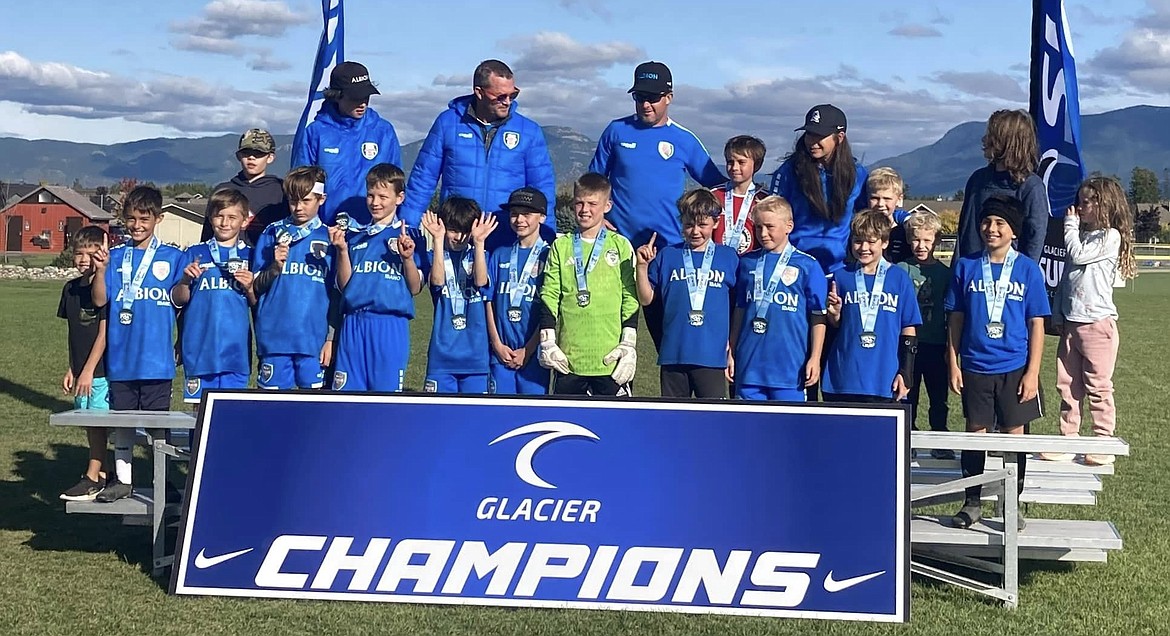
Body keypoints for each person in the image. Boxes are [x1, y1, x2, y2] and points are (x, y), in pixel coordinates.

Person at [588, 61, 724, 350]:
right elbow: (593, 183)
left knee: (668, 341)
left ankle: (675, 395)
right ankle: (614, 395)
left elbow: (717, 187)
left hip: (666, 253)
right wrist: (598, 218)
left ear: (669, 97)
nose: (645, 104)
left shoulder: (684, 140)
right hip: (618, 250)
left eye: (652, 98)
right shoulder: (616, 131)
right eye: (639, 97)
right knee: (610, 339)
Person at [945, 195, 1050, 529]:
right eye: (987, 222)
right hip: (976, 365)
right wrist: (953, 362)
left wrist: (1032, 372)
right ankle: (971, 502)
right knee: (975, 434)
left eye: (1000, 223)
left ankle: (1010, 504)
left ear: (1013, 231)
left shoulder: (1027, 269)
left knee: (1013, 436)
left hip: (1015, 367)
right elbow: (956, 319)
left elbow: (1037, 324)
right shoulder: (966, 266)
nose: (991, 228)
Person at [90, 186, 186, 502]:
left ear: (158, 218)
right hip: (122, 359)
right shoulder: (116, 258)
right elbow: (100, 299)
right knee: (124, 425)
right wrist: (101, 271)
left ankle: (164, 481)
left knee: (159, 427)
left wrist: (186, 281)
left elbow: (180, 300)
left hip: (157, 358)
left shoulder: (173, 257)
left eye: (144, 218)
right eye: (131, 219)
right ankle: (123, 480)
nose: (136, 225)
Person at [400, 59, 556, 250]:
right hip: (458, 236)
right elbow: (423, 179)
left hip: (506, 241)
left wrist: (548, 235)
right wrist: (407, 228)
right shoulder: (447, 123)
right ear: (479, 92)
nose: (507, 101)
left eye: (513, 94)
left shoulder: (529, 131)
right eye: (500, 96)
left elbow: (542, 188)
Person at [1044, 177, 1137, 465]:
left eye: (1087, 201)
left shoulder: (1110, 237)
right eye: (1080, 200)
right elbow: (1065, 280)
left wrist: (1068, 226)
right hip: (1071, 324)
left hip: (1098, 324)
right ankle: (1069, 437)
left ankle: (1102, 439)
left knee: (1098, 385)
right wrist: (1058, 314)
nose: (1080, 207)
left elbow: (1077, 255)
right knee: (1068, 384)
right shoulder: (1082, 235)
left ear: (1105, 204)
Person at [538, 173, 640, 396]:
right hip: (569, 358)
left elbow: (630, 297)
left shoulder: (621, 245)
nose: (585, 210)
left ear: (607, 205)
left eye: (592, 204)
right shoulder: (560, 245)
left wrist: (629, 344)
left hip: (611, 359)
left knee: (615, 425)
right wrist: (547, 341)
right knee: (568, 424)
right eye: (579, 203)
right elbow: (549, 294)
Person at [330, 164, 423, 393]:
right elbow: (344, 286)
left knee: (385, 399)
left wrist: (408, 258)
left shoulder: (409, 237)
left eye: (383, 196)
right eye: (371, 195)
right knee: (347, 399)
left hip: (389, 324)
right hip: (353, 323)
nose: (375, 202)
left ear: (399, 198)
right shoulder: (355, 237)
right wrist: (342, 250)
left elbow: (415, 288)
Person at [636, 189, 738, 398]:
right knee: (673, 421)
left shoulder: (729, 257)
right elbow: (646, 299)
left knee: (711, 422)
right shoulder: (668, 255)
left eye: (702, 225)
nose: (695, 231)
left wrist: (732, 349)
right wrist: (642, 267)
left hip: (712, 357)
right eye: (689, 225)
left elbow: (738, 306)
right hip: (674, 354)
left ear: (716, 223)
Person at [728, 196, 828, 401]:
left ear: (788, 226)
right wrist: (731, 350)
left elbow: (818, 317)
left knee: (787, 431)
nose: (763, 234)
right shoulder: (747, 262)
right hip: (749, 368)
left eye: (769, 227)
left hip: (790, 371)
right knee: (749, 430)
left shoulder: (808, 266)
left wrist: (815, 358)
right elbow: (740, 309)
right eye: (758, 227)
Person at [822, 209, 921, 402]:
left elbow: (908, 327)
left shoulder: (899, 278)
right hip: (843, 379)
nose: (863, 247)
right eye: (858, 241)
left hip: (883, 380)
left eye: (871, 241)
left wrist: (906, 372)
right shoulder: (841, 277)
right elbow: (837, 324)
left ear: (884, 242)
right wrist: (834, 314)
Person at [251, 166, 336, 389]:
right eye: (292, 200)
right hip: (275, 339)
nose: (298, 207)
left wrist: (330, 338)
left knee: (313, 415)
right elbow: (256, 287)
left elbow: (337, 295)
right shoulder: (272, 233)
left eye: (306, 200)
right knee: (272, 413)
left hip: (312, 340)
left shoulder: (330, 238)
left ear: (321, 199)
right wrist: (274, 267)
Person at [292, 61, 402, 225]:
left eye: (366, 96)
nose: (362, 103)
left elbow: (397, 183)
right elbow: (301, 186)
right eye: (355, 98)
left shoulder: (383, 131)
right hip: (326, 230)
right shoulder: (316, 132)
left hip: (371, 231)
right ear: (336, 95)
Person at [172, 189, 256, 404]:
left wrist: (249, 287)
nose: (225, 222)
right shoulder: (194, 253)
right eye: (219, 216)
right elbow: (179, 299)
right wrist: (185, 280)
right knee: (198, 417)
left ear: (244, 221)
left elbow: (257, 305)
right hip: (200, 349)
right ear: (210, 218)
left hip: (235, 351)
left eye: (232, 217)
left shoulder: (251, 256)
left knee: (232, 414)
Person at [769, 104, 869, 276]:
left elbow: (870, 213)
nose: (812, 142)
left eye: (819, 135)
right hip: (794, 266)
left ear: (840, 137)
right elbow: (772, 213)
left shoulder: (857, 174)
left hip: (840, 268)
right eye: (809, 134)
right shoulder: (789, 171)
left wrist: (903, 218)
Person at [57, 226, 111, 501]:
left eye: (90, 255)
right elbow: (73, 334)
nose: (83, 260)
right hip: (81, 372)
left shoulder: (102, 288)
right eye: (79, 253)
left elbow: (103, 334)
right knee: (88, 423)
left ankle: (93, 476)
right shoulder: (70, 289)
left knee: (96, 423)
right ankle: (103, 472)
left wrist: (88, 371)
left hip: (99, 372)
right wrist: (72, 368)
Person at [420, 198, 495, 394]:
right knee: (439, 417)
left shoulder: (482, 256)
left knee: (475, 418)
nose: (459, 237)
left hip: (476, 358)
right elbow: (436, 281)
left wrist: (478, 243)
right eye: (453, 230)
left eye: (465, 231)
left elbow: (480, 281)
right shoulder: (434, 256)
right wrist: (438, 240)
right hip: (441, 356)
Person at [955, 110, 1049, 262]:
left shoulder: (1031, 186)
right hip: (972, 272)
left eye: (992, 135)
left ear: (1007, 141)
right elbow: (964, 233)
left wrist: (1024, 275)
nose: (985, 140)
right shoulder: (978, 180)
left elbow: (1035, 239)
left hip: (1009, 278)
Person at [486, 187, 552, 395]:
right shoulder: (500, 255)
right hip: (500, 354)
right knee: (499, 417)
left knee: (532, 418)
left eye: (527, 214)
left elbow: (550, 308)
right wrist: (496, 344)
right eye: (514, 214)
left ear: (541, 217)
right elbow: (489, 301)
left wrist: (529, 349)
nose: (519, 220)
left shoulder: (550, 256)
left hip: (534, 355)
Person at [897, 211, 953, 456]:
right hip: (908, 344)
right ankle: (907, 437)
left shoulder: (945, 273)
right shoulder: (901, 269)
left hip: (936, 342)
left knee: (938, 395)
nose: (921, 245)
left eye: (927, 241)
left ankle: (939, 436)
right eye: (916, 239)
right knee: (908, 393)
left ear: (937, 241)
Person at [199, 128, 287, 245]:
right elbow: (208, 234)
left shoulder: (281, 191)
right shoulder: (222, 190)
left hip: (267, 259)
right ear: (238, 156)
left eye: (258, 153)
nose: (251, 157)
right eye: (246, 153)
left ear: (270, 157)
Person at [711, 135, 769, 255]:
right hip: (717, 264)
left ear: (757, 165)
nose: (735, 168)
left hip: (751, 265)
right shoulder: (714, 196)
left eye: (741, 162)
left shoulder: (765, 199)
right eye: (730, 162)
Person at [867, 167, 911, 263]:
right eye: (875, 198)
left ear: (899, 199)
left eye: (887, 198)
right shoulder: (860, 230)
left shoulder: (906, 231)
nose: (880, 204)